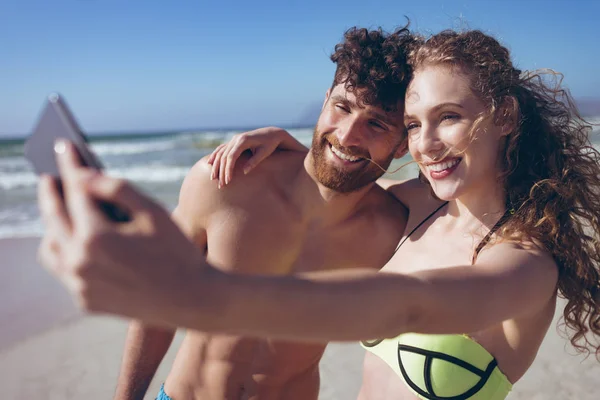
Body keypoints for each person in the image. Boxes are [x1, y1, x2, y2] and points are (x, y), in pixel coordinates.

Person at [38, 29, 600, 400]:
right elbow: (338, 184)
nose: (425, 143)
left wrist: (195, 292)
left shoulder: (468, 243)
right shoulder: (233, 184)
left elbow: (408, 301)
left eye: (382, 124)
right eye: (342, 108)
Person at [45, 27, 416, 400]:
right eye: (342, 107)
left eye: (376, 124)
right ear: (324, 102)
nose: (349, 135)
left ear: (402, 144)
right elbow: (158, 302)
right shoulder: (223, 183)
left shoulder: (395, 229)